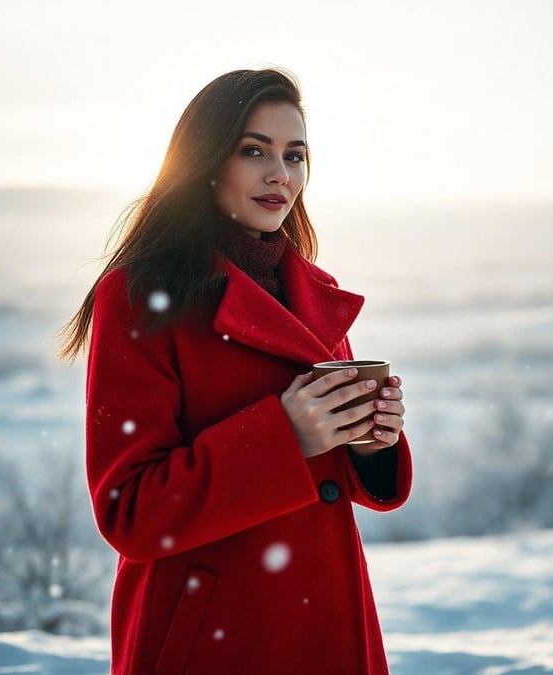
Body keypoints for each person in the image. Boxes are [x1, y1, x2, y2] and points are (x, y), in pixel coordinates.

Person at [60, 67, 412, 675]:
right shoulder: (141, 297)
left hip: (326, 626)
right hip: (210, 638)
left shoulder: (312, 292)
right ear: (206, 161)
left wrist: (367, 440)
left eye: (295, 154)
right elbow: (131, 512)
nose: (281, 173)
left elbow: (328, 479)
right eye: (255, 150)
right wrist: (285, 435)